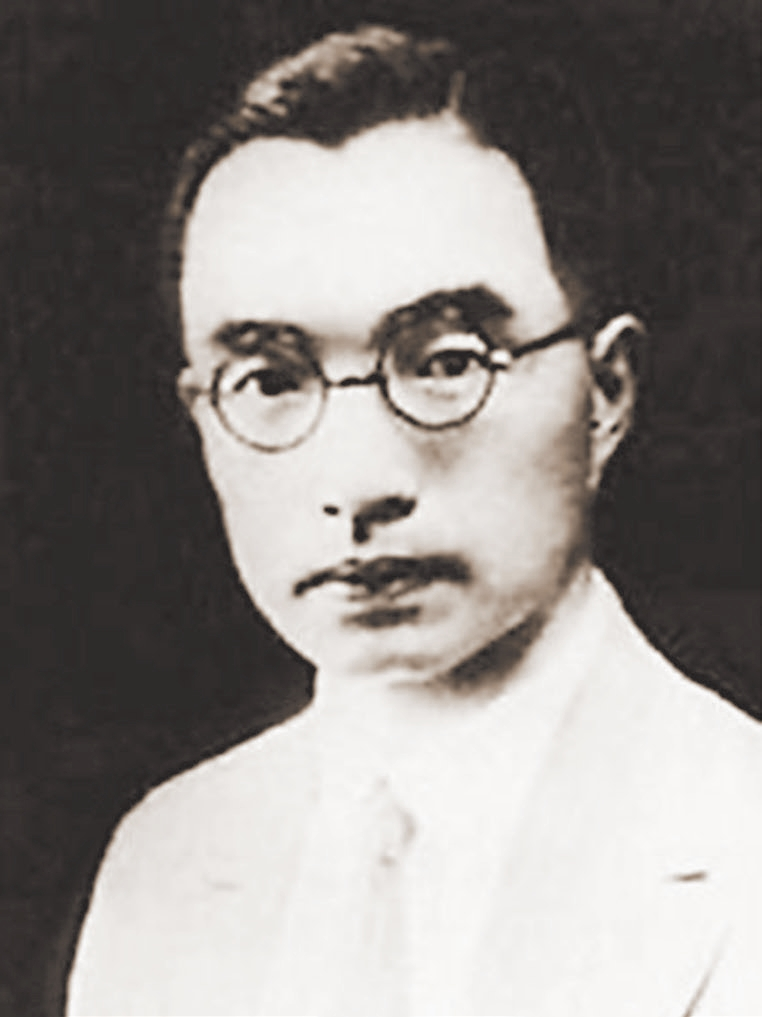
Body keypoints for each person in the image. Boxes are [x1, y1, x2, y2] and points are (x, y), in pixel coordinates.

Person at [66, 25, 761, 1017]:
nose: (359, 482)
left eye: (446, 363)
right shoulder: (167, 862)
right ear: (202, 418)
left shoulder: (739, 838)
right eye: (268, 379)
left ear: (606, 393)